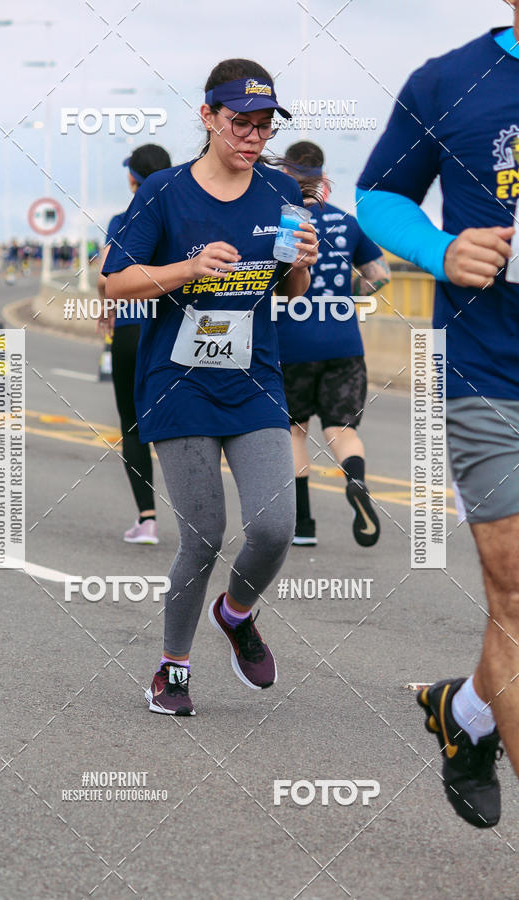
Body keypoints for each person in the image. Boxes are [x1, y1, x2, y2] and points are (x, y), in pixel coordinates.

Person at [103, 59, 318, 716]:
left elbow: (290, 289)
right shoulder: (166, 192)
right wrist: (190, 268)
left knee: (276, 526)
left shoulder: (281, 191)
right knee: (204, 533)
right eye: (239, 123)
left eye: (262, 126)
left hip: (254, 381)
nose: (252, 137)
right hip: (179, 384)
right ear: (207, 117)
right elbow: (114, 283)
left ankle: (237, 612)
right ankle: (172, 668)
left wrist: (301, 264)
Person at [357, 3, 519, 828]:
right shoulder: (450, 81)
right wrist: (440, 250)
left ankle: (466, 717)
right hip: (491, 375)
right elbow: (378, 196)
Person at [277, 141, 389, 547]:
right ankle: (355, 482)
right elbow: (379, 275)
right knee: (342, 430)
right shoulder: (347, 222)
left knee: (293, 432)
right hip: (344, 342)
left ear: (286, 176)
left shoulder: (282, 224)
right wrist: (348, 293)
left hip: (292, 342)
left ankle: (303, 525)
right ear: (323, 178)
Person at [98, 145, 172, 545]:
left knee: (132, 425)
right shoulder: (184, 211)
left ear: (133, 179)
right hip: (176, 330)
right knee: (186, 423)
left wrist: (106, 303)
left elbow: (106, 276)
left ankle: (147, 520)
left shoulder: (123, 218)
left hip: (130, 329)